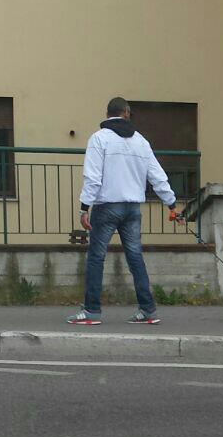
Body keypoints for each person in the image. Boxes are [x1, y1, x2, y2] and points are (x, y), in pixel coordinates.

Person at [67, 97, 182, 325]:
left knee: (96, 258)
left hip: (106, 206)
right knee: (135, 257)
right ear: (127, 113)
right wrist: (171, 204)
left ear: (108, 113)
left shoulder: (99, 139)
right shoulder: (141, 141)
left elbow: (92, 177)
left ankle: (91, 311)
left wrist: (84, 208)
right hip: (132, 209)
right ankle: (148, 310)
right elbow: (157, 176)